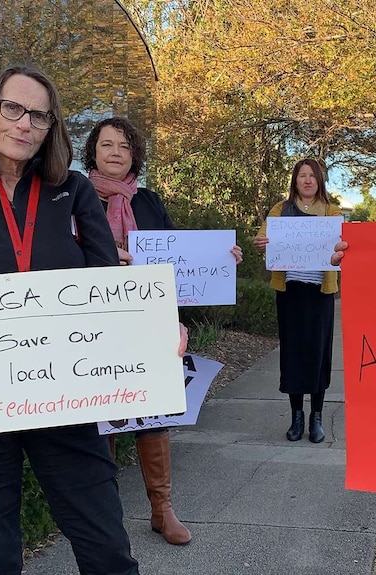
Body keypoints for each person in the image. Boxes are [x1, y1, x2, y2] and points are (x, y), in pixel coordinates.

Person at [0, 65, 145, 574]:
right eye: (13, 108)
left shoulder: (75, 191)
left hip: (65, 398)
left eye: (39, 115)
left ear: (51, 127)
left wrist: (152, 332)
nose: (24, 124)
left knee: (108, 551)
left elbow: (110, 291)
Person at [81, 116, 243, 545]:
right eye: (107, 144)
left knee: (151, 415)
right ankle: (106, 515)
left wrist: (222, 259)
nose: (115, 152)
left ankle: (162, 509)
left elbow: (182, 258)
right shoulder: (74, 199)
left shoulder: (149, 202)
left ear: (134, 155)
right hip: (93, 324)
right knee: (104, 416)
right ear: (93, 152)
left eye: (124, 146)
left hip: (147, 320)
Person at [253, 158, 342, 443]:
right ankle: (296, 417)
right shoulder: (281, 210)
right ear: (294, 180)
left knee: (318, 354)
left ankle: (316, 416)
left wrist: (341, 252)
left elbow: (344, 248)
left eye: (311, 176)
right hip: (290, 292)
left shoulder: (331, 211)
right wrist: (261, 242)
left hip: (320, 294)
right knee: (292, 354)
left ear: (319, 181)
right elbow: (261, 238)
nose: (306, 180)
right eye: (301, 176)